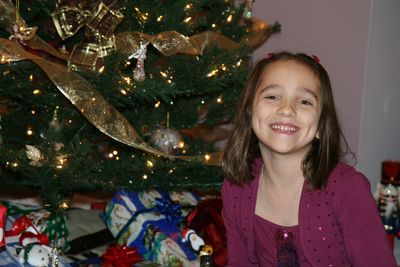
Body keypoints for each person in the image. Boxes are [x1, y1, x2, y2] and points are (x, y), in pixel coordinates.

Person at [221, 51, 397, 266]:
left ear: (321, 126)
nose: (286, 109)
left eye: (304, 101)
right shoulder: (236, 188)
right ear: (249, 113)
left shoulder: (347, 188)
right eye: (272, 96)